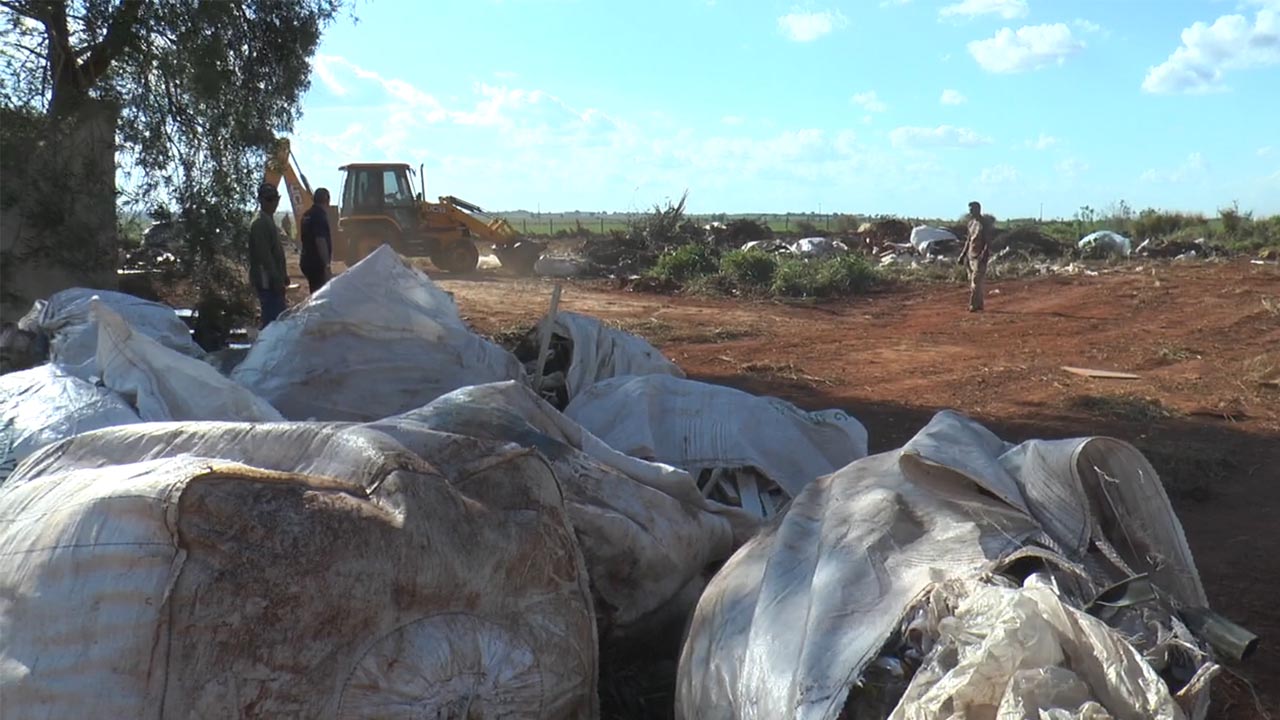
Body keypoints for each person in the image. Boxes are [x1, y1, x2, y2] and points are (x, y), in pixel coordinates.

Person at [249, 182, 288, 328]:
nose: (273, 203)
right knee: (273, 322)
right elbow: (264, 256)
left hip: (273, 279)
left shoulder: (268, 220)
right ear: (261, 200)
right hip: (267, 281)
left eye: (275, 199)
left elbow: (275, 252)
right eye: (269, 199)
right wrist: (277, 279)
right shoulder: (260, 223)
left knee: (276, 318)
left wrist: (283, 275)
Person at [959, 200, 993, 312]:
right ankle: (979, 305)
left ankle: (973, 305)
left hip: (979, 256)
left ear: (978, 209)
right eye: (970, 210)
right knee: (974, 283)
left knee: (976, 282)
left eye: (972, 209)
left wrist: (984, 254)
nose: (970, 212)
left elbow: (988, 241)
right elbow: (968, 240)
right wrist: (963, 254)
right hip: (970, 255)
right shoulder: (971, 223)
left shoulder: (984, 224)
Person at [300, 187, 333, 293]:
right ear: (327, 200)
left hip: (306, 260)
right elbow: (320, 240)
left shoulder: (306, 215)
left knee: (314, 290)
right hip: (317, 263)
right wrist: (326, 265)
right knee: (321, 293)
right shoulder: (319, 216)